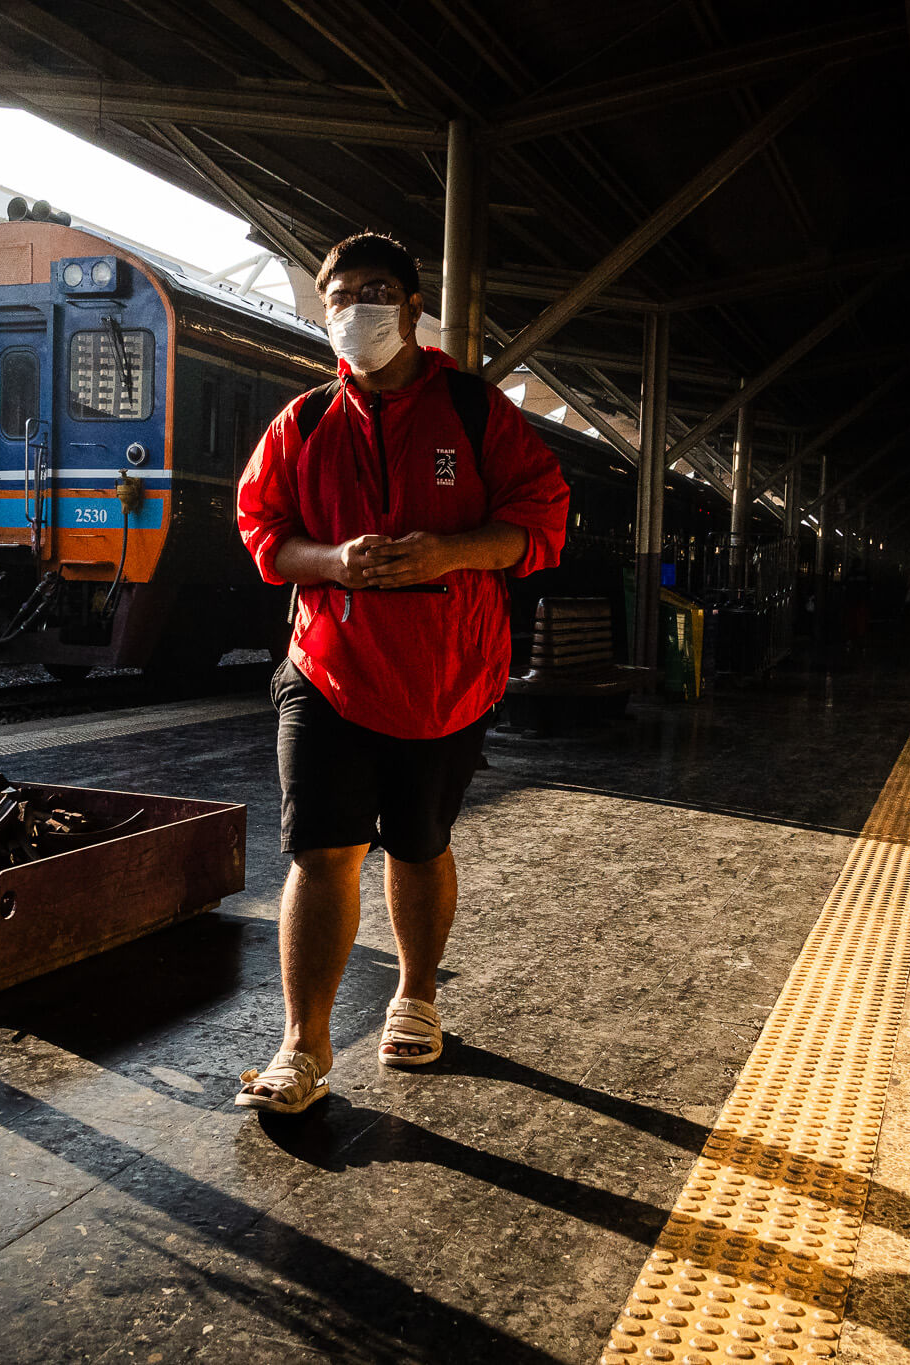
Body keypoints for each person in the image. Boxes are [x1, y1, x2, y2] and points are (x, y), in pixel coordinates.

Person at [232, 232, 570, 1114]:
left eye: (375, 292)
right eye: (339, 298)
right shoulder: (302, 424)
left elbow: (539, 521)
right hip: (329, 666)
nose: (355, 312)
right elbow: (265, 534)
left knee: (418, 841)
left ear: (415, 307)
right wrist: (333, 562)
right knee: (321, 849)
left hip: (447, 673)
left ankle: (417, 994)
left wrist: (448, 554)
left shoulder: (475, 410)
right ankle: (303, 1046)